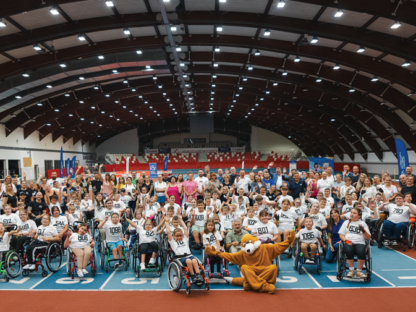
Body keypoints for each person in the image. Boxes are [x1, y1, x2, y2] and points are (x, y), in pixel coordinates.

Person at [164, 215, 203, 283]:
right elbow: (168, 232)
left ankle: (198, 275)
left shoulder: (185, 239)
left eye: (180, 235)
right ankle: (193, 276)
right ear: (174, 236)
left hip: (189, 255)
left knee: (194, 260)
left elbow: (185, 229)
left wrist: (181, 220)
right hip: (180, 258)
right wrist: (167, 222)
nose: (179, 237)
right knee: (188, 261)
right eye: (177, 236)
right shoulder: (172, 242)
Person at [339, 207, 371, 278]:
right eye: (351, 212)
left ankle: (359, 271)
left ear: (359, 215)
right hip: (348, 241)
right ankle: (351, 271)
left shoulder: (363, 223)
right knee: (349, 250)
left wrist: (363, 231)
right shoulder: (346, 222)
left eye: (354, 213)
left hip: (360, 242)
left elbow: (368, 237)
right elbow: (341, 234)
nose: (352, 214)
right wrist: (346, 240)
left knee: (361, 251)